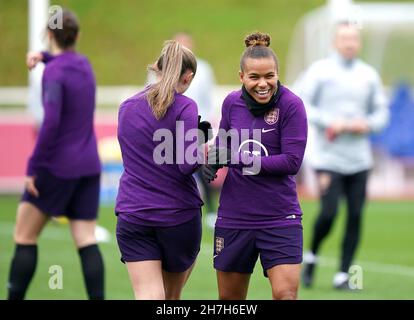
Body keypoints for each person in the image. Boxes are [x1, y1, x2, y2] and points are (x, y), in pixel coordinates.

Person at [7, 9, 104, 300]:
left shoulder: (54, 72)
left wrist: (33, 165)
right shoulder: (84, 65)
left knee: (24, 236)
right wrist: (44, 56)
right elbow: (66, 63)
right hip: (89, 166)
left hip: (57, 167)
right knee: (86, 240)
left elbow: (50, 123)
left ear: (49, 35)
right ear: (77, 36)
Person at [202, 32, 308, 300]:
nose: (263, 84)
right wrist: (211, 164)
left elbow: (291, 161)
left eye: (269, 76)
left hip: (280, 217)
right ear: (241, 77)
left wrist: (236, 159)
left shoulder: (292, 105)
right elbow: (223, 145)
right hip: (235, 216)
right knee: (230, 301)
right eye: (254, 77)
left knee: (286, 295)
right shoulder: (231, 103)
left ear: (277, 73)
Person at [294, 21, 389, 289]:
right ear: (334, 42)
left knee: (356, 215)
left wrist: (367, 123)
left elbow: (382, 113)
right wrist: (330, 121)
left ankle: (343, 276)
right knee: (329, 212)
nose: (350, 43)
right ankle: (311, 256)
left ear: (359, 43)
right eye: (345, 38)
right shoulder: (320, 71)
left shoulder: (369, 75)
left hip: (359, 160)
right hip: (328, 159)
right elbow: (302, 104)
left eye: (354, 39)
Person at [115, 40, 211, 300]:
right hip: (177, 216)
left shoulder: (127, 107)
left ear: (157, 67)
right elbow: (187, 164)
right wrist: (206, 148)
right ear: (188, 77)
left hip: (133, 214)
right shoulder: (186, 106)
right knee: (171, 298)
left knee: (148, 295)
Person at [149, 32, 218, 227]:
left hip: (196, 121)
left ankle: (210, 209)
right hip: (167, 123)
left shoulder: (203, 69)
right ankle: (170, 203)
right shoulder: (159, 67)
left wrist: (207, 121)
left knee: (197, 164)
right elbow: (150, 92)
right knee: (171, 164)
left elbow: (208, 97)